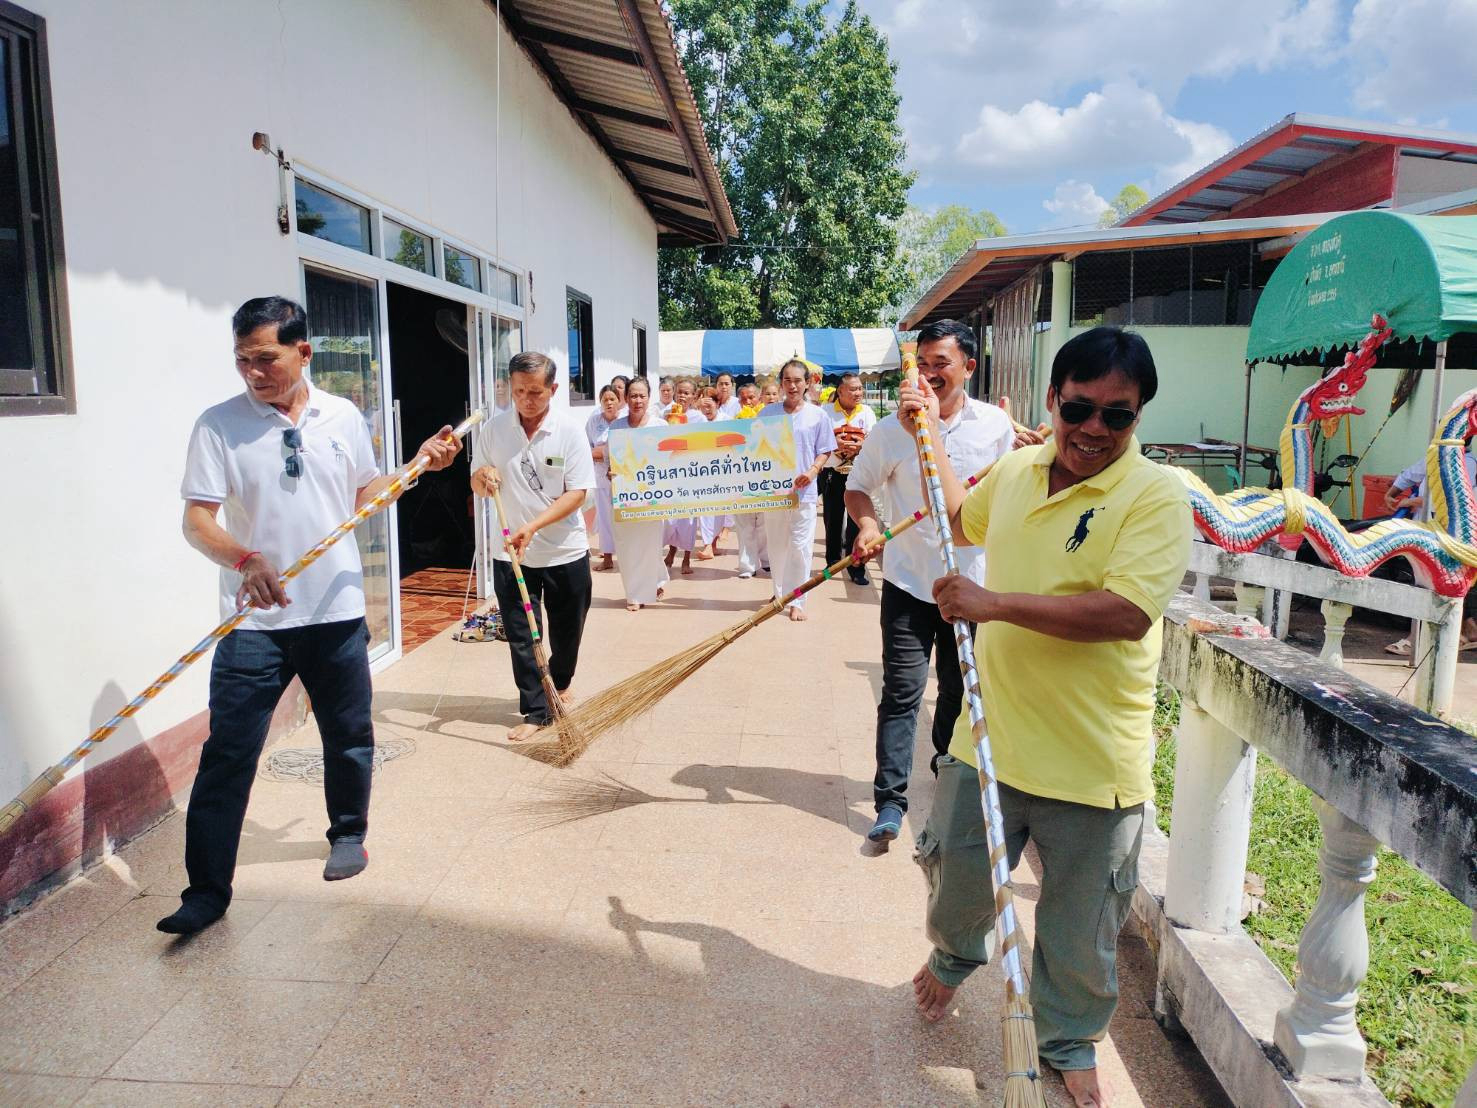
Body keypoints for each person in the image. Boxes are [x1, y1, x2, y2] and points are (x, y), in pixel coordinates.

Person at [908, 326, 1191, 1108]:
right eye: (1077, 408)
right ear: (1051, 400)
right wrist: (924, 428)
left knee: (1079, 925)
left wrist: (992, 604)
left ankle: (1066, 1040)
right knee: (955, 882)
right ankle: (952, 958)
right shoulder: (1016, 469)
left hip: (1092, 759)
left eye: (1116, 415)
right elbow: (959, 520)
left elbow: (1125, 612)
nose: (1093, 428)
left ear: (1138, 416)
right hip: (988, 739)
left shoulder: (1156, 495)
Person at [160, 296, 462, 935]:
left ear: (304, 352)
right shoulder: (218, 425)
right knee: (228, 753)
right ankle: (206, 892)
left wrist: (417, 466)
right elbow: (197, 521)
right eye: (242, 360)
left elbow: (363, 495)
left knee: (348, 735)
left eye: (265, 358)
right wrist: (244, 558)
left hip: (335, 609)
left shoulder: (342, 416)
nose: (253, 372)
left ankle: (348, 833)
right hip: (254, 621)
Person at [846, 321, 1019, 842]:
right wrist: (869, 525)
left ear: (969, 367)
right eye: (921, 364)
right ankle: (889, 802)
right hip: (908, 583)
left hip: (971, 588)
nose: (928, 374)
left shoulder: (995, 427)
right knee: (901, 692)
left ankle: (945, 776)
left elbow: (1011, 492)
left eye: (941, 363)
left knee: (958, 691)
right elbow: (858, 487)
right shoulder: (891, 430)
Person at [470, 351, 597, 741]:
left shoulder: (569, 432)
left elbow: (578, 493)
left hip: (564, 550)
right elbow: (477, 481)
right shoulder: (494, 429)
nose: (526, 399)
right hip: (510, 553)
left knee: (567, 632)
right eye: (519, 391)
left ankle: (559, 682)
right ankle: (536, 710)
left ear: (553, 390)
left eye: (536, 392)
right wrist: (483, 477)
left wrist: (534, 526)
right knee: (523, 636)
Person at [1383, 440, 1477, 654]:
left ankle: (1416, 638)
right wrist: (1392, 493)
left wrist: (1411, 502)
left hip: (1449, 533)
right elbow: (1411, 473)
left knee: (1430, 581)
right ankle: (1469, 630)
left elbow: (1455, 499)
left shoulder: (1467, 463)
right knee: (1446, 580)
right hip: (1427, 529)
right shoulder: (1436, 456)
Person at [760, 359, 836, 622]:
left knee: (801, 547)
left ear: (807, 383)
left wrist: (813, 471)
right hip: (773, 493)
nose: (792, 386)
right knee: (777, 545)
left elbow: (825, 449)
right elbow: (753, 447)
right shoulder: (767, 414)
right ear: (781, 383)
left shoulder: (818, 415)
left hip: (804, 492)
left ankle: (798, 600)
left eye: (797, 381)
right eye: (787, 380)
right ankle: (779, 594)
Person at [607, 377, 670, 611]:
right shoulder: (616, 427)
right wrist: (611, 472)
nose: (637, 400)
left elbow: (669, 460)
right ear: (626, 398)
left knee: (649, 544)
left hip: (652, 497)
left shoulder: (660, 426)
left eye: (642, 396)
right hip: (623, 497)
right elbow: (610, 460)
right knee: (626, 545)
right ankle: (635, 592)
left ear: (649, 398)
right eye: (633, 395)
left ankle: (648, 587)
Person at [820, 372, 878, 587]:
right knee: (832, 519)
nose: (858, 393)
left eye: (860, 388)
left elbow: (874, 438)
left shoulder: (867, 412)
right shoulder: (825, 412)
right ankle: (833, 562)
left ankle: (857, 567)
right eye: (853, 389)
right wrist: (835, 444)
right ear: (840, 391)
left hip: (858, 473)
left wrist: (861, 446)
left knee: (857, 521)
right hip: (833, 473)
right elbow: (819, 441)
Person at [586, 384, 623, 572]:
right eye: (605, 400)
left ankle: (626, 557)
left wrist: (603, 452)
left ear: (619, 401)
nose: (609, 403)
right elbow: (586, 449)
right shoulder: (594, 422)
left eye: (612, 399)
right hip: (600, 477)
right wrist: (602, 452)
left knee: (624, 518)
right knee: (605, 519)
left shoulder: (624, 421)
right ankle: (607, 558)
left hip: (623, 477)